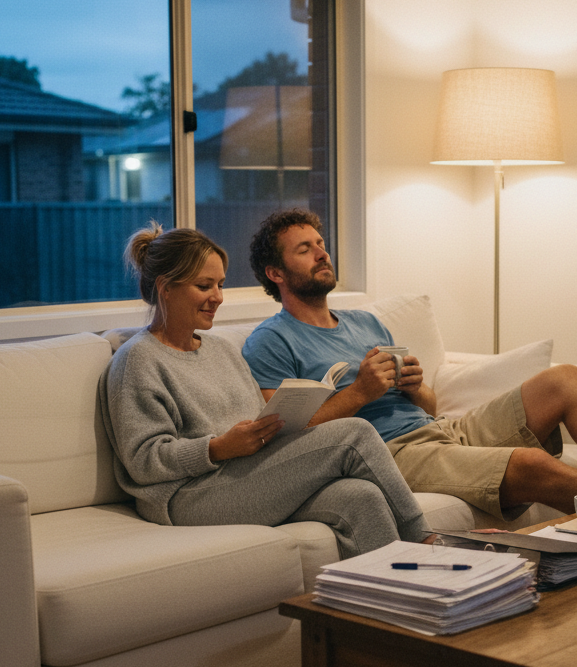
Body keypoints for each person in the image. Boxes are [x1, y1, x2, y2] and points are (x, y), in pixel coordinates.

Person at [242, 208, 577, 522]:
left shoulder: (364, 322)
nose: (321, 254)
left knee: (565, 379)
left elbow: (427, 405)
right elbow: (283, 436)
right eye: (305, 250)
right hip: (388, 455)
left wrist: (417, 387)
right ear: (275, 272)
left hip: (438, 430)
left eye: (322, 244)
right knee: (530, 464)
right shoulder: (271, 340)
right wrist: (359, 393)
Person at [101, 222, 431, 559]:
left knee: (362, 497)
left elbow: (251, 417)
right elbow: (143, 461)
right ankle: (426, 542)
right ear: (165, 288)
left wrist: (267, 429)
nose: (218, 297)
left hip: (243, 474)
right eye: (204, 286)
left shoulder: (221, 349)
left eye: (220, 285)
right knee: (354, 433)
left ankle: (394, 603)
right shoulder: (138, 360)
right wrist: (216, 449)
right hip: (187, 496)